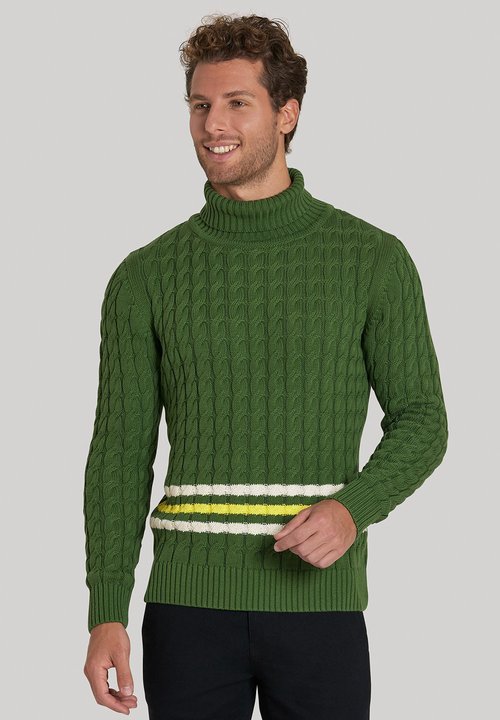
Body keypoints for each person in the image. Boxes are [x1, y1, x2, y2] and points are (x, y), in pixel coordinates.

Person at [83, 12, 448, 720]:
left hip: (320, 607)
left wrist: (352, 510)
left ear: (287, 113)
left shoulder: (371, 259)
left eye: (236, 103)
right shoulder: (146, 276)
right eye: (199, 105)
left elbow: (423, 420)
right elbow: (119, 455)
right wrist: (106, 610)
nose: (212, 124)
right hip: (187, 610)